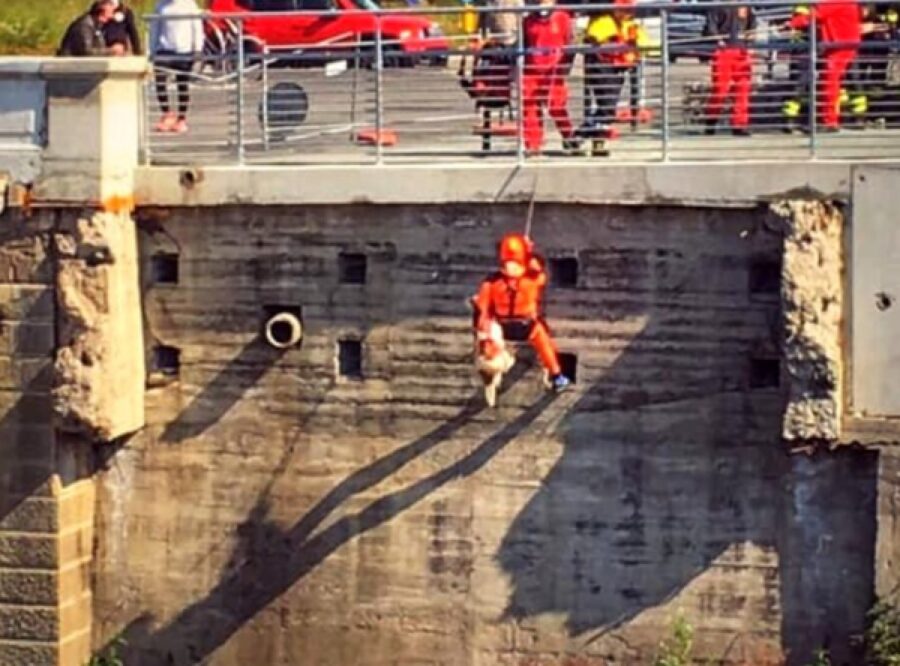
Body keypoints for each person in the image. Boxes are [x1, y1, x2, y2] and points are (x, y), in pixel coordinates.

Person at [472, 233, 571, 393]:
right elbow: (540, 271)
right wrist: (530, 251)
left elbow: (482, 306)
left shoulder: (492, 282)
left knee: (488, 346)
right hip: (527, 326)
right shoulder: (531, 280)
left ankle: (491, 374)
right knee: (544, 340)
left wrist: (483, 330)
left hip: (503, 327)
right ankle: (556, 375)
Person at [787, 0, 862, 131]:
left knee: (830, 82)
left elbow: (817, 14)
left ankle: (830, 121)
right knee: (830, 82)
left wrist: (793, 22)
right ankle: (829, 119)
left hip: (841, 44)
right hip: (838, 44)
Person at [580, 0, 647, 141]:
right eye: (623, 10)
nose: (627, 14)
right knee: (607, 107)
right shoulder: (603, 22)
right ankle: (584, 132)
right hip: (602, 66)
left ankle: (592, 134)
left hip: (618, 68)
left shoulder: (629, 24)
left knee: (608, 106)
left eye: (629, 11)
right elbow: (592, 38)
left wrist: (635, 45)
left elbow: (644, 42)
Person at [521, 0, 580, 155]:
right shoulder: (528, 20)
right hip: (532, 69)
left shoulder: (563, 17)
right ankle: (532, 144)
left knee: (557, 106)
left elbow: (571, 42)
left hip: (554, 69)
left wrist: (565, 65)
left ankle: (569, 138)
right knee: (530, 107)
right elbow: (524, 44)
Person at [150, 0, 205, 134]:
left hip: (184, 50)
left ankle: (181, 118)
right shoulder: (160, 5)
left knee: (182, 84)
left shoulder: (190, 5)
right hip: (164, 49)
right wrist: (152, 50)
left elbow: (197, 28)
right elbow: (155, 29)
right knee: (160, 82)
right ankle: (166, 113)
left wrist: (197, 49)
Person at [704, 4, 756, 136]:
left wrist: (751, 39)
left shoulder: (747, 6)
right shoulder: (718, 6)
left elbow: (752, 26)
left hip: (742, 51)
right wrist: (718, 40)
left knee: (743, 89)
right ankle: (711, 121)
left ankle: (739, 125)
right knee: (720, 89)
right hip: (723, 52)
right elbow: (711, 28)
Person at [57, 0, 124, 57]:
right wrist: (111, 51)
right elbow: (86, 52)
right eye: (111, 6)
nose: (114, 11)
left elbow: (99, 48)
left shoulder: (97, 26)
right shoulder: (85, 25)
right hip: (69, 68)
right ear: (103, 7)